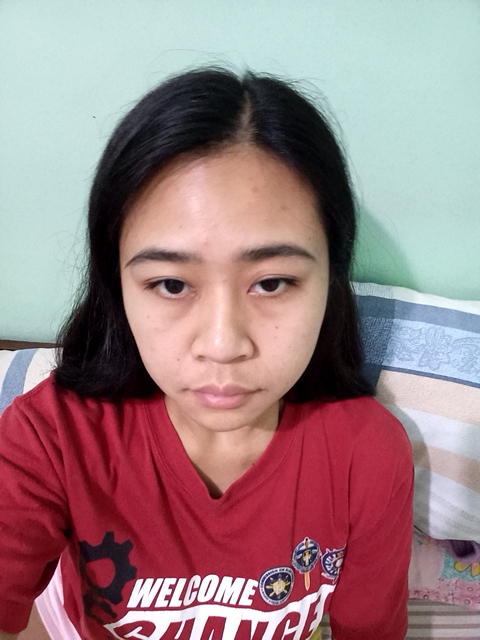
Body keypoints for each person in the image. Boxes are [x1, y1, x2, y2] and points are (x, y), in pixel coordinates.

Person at [0, 68, 413, 640]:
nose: (222, 346)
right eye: (171, 284)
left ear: (330, 282)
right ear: (118, 286)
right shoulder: (50, 439)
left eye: (271, 283)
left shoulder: (365, 453)